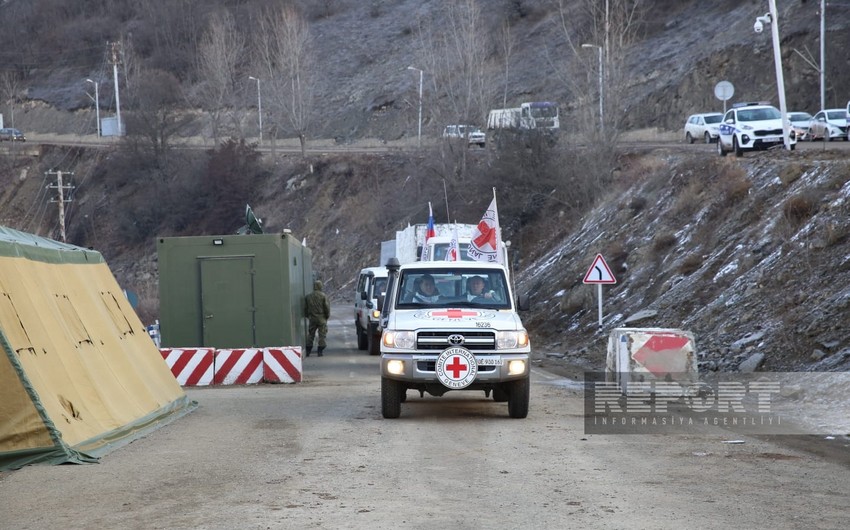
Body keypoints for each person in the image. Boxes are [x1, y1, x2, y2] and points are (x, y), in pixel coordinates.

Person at [304, 279, 331, 356]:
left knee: (311, 334)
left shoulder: (308, 296)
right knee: (322, 334)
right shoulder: (323, 296)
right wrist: (327, 316)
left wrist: (307, 316)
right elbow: (326, 307)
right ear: (320, 286)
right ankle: (320, 351)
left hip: (312, 318)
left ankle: (308, 350)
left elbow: (305, 308)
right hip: (321, 318)